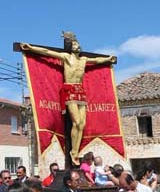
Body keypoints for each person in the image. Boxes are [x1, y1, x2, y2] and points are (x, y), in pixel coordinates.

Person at [20, 32, 116, 166]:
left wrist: (109, 59)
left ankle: (75, 151)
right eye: (75, 44)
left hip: (81, 91)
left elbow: (98, 60)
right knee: (76, 122)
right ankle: (73, 153)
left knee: (82, 124)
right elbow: (47, 52)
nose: (77, 46)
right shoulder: (66, 57)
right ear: (70, 47)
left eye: (78, 44)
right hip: (69, 90)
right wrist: (30, 48)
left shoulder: (83, 60)